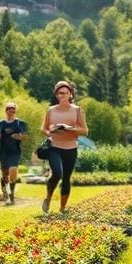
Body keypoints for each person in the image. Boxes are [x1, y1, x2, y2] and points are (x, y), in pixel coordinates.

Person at [40, 81, 88, 213]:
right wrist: (51, 131)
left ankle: (62, 208)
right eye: (60, 93)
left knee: (66, 178)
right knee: (57, 173)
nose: (63, 95)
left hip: (71, 148)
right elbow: (43, 128)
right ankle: (48, 198)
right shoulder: (51, 110)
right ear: (56, 95)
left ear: (70, 94)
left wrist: (69, 128)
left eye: (66, 93)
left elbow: (84, 130)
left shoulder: (77, 110)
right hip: (54, 146)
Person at [0, 101, 27, 205]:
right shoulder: (0, 123)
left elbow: (25, 137)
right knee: (5, 174)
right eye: (9, 111)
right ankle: (5, 191)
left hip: (15, 151)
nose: (11, 113)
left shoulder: (20, 123)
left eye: (13, 111)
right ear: (6, 111)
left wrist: (18, 136)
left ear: (15, 112)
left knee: (13, 171)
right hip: (3, 151)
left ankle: (11, 196)